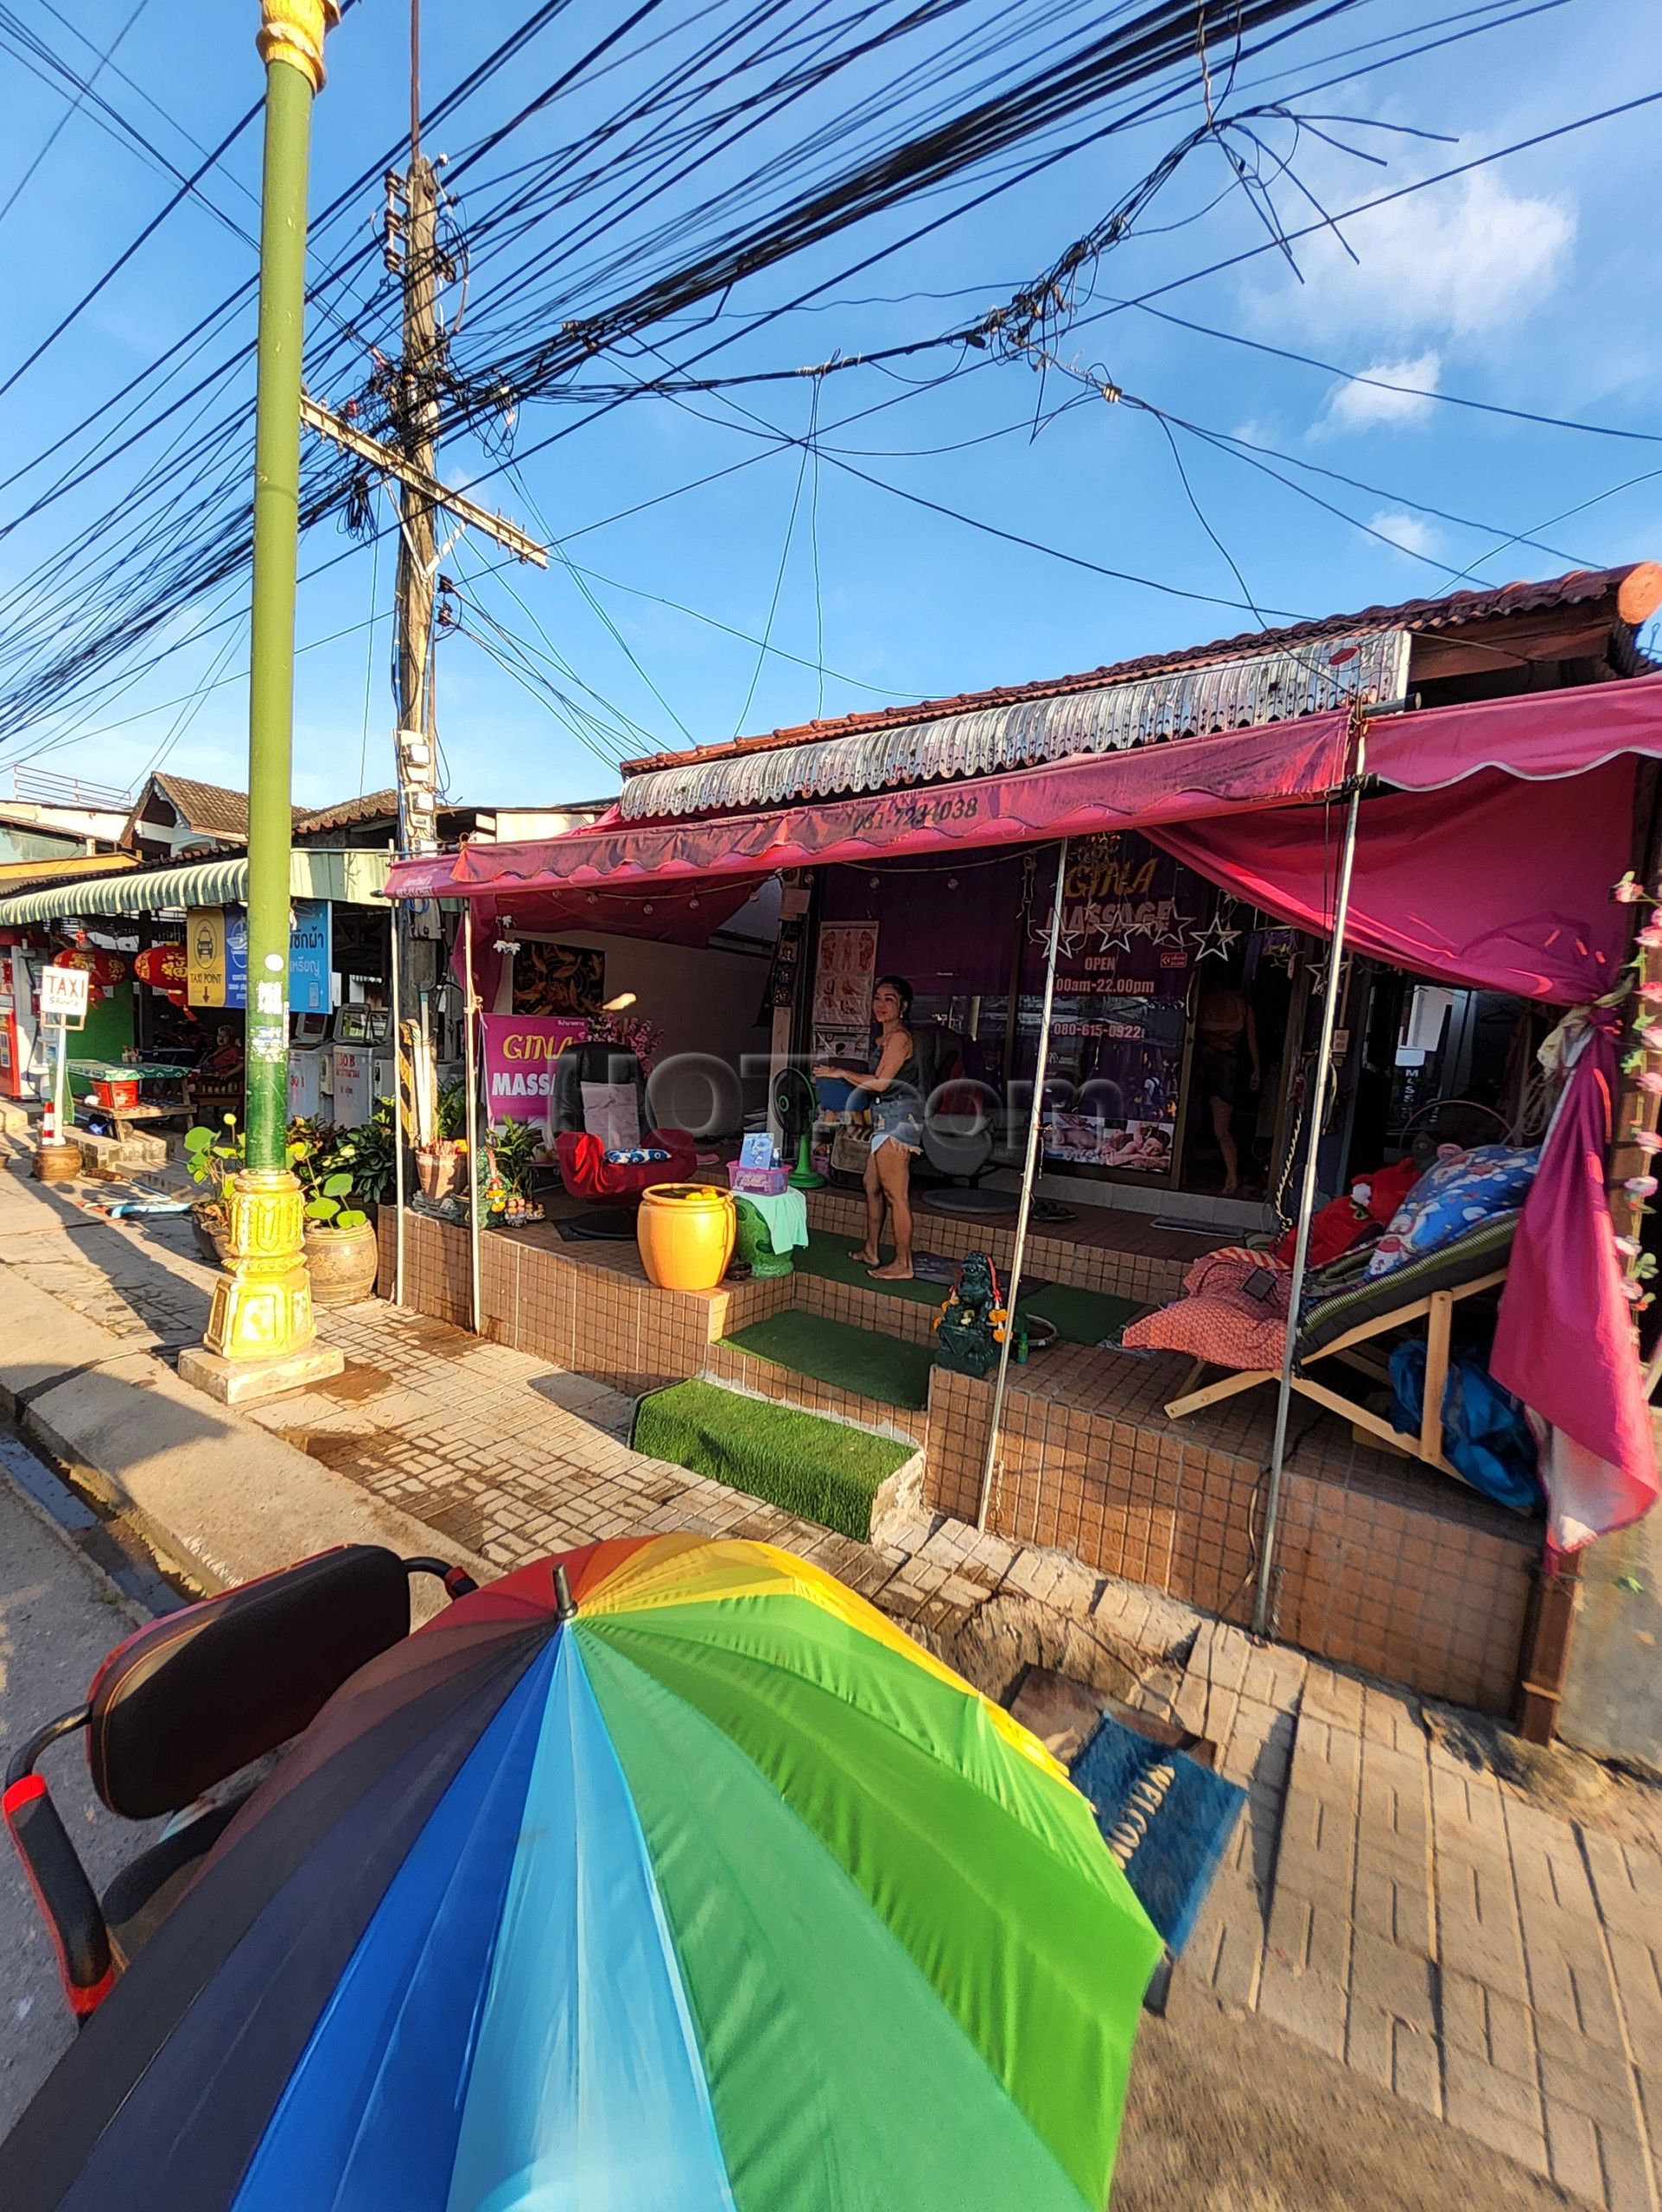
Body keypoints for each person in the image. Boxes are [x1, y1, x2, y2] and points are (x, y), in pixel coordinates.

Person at [814, 974, 920, 1281]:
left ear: (903, 1006)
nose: (881, 1005)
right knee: (871, 1186)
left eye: (890, 999)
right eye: (877, 998)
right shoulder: (885, 1039)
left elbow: (881, 1082)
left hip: (899, 1121)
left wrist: (838, 1072)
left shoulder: (900, 1038)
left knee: (895, 1194)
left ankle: (904, 1264)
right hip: (882, 1120)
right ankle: (871, 1250)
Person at [1195, 977, 1259, 1196]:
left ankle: (1232, 1176)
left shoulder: (1206, 1002)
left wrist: (1256, 1068)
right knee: (1210, 1125)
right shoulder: (1241, 1006)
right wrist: (1256, 1068)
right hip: (1217, 1065)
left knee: (1220, 1128)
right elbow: (1251, 1039)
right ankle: (1231, 1176)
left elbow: (1251, 1040)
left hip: (1221, 1067)